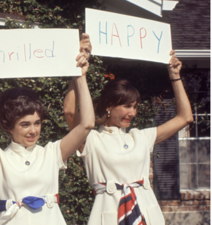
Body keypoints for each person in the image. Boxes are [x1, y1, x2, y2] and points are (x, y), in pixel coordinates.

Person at [0, 33, 94, 225]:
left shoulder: (52, 153)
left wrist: (81, 77)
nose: (33, 131)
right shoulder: (1, 159)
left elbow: (87, 124)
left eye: (37, 123)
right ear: (8, 126)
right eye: (25, 124)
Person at [63, 50, 193, 225]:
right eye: (126, 106)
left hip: (148, 214)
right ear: (109, 105)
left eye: (135, 107)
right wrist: (78, 74)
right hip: (109, 215)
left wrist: (175, 76)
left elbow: (185, 117)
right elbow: (70, 112)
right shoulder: (91, 139)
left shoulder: (140, 137)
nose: (132, 113)